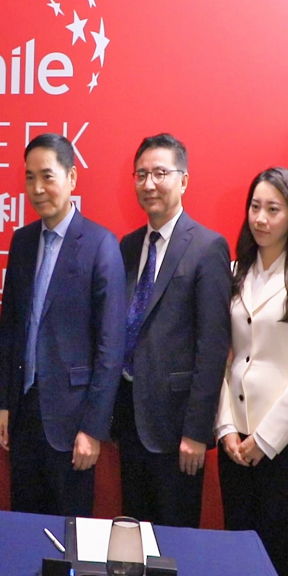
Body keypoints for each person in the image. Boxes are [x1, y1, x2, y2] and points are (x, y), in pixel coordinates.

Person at [0, 133, 126, 517]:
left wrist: (93, 428)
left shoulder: (100, 244)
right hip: (24, 416)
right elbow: (11, 330)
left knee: (69, 534)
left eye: (47, 176)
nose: (37, 189)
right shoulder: (22, 242)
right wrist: (4, 403)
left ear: (71, 178)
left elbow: (110, 346)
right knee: (23, 525)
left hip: (72, 423)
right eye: (29, 177)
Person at [215, 167, 288, 576]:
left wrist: (264, 440)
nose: (260, 219)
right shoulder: (234, 272)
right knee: (235, 551)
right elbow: (222, 357)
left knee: (273, 553)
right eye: (255, 207)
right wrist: (226, 427)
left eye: (273, 210)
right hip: (233, 442)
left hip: (280, 445)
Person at [114, 133, 231, 528]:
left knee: (174, 540)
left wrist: (197, 431)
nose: (149, 184)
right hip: (130, 419)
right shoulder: (128, 246)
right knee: (133, 536)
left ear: (183, 180)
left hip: (177, 427)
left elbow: (213, 347)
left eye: (160, 173)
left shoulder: (207, 247)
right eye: (141, 174)